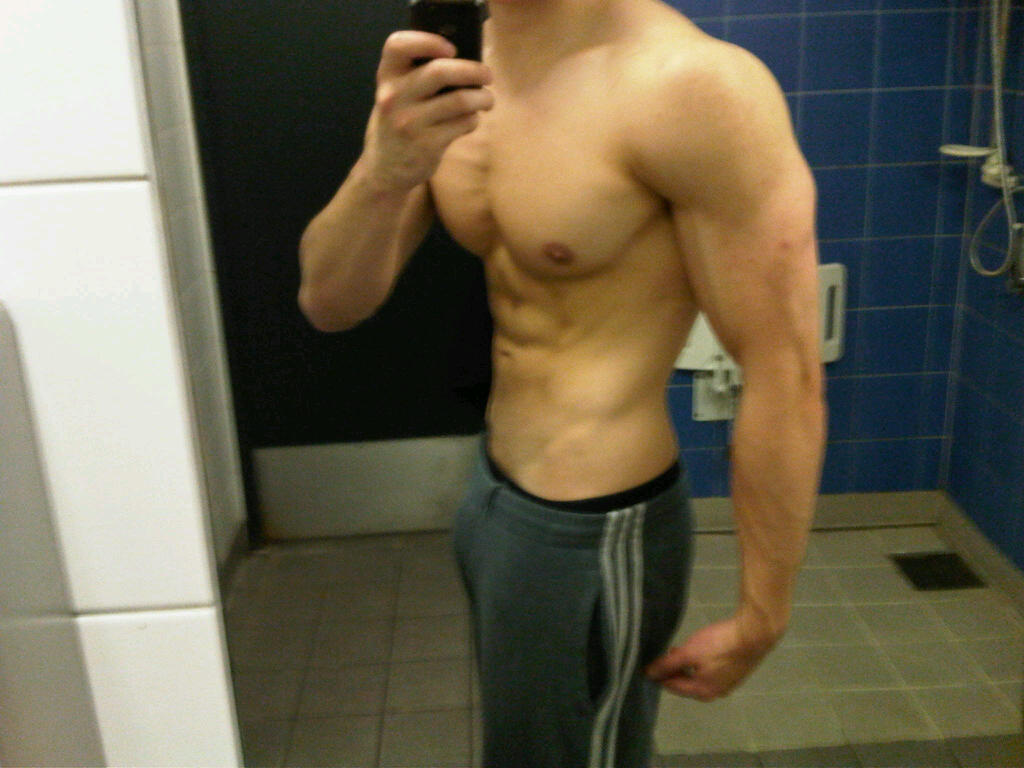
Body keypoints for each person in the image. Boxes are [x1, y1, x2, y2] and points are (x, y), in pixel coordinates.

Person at [298, 0, 827, 765]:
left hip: (597, 525)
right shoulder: (455, 67)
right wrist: (383, 169)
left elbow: (785, 369)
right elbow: (329, 301)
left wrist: (762, 613)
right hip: (490, 496)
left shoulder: (692, 87)